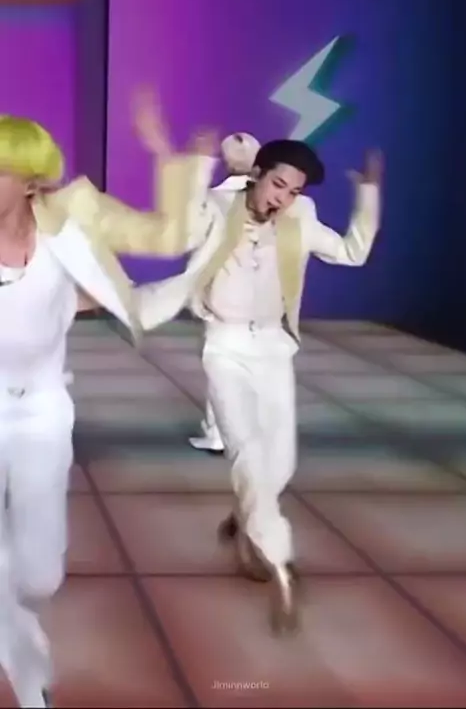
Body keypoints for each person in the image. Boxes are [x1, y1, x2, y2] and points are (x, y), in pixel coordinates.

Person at [0, 110, 209, 708]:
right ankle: (29, 677)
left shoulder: (73, 218)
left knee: (40, 574)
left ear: (32, 180)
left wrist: (174, 157)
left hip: (42, 408)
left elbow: (169, 237)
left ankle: (16, 616)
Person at [136, 132, 382, 634]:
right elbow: (182, 232)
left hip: (273, 349)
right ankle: (278, 562)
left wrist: (369, 194)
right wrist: (198, 165)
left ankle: (245, 518)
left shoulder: (300, 217)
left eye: (294, 191)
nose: (283, 198)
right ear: (256, 174)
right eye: (277, 185)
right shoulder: (217, 207)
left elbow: (352, 252)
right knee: (247, 452)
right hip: (225, 348)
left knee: (280, 463)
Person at [189, 131, 260, 455]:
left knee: (220, 365)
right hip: (262, 295)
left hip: (220, 294)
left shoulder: (212, 199)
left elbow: (196, 244)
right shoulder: (274, 202)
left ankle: (218, 433)